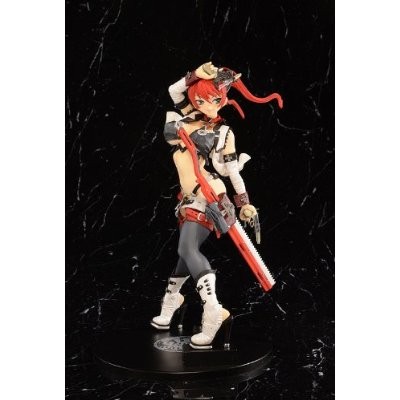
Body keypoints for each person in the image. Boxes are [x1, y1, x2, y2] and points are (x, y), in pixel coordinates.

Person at [151, 62, 283, 349]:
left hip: (209, 194)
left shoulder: (224, 132)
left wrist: (244, 202)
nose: (207, 105)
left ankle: (214, 312)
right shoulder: (188, 114)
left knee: (187, 249)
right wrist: (196, 75)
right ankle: (173, 302)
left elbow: (231, 171)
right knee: (185, 254)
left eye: (214, 99)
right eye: (201, 99)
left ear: (223, 100)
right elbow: (174, 90)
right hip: (187, 197)